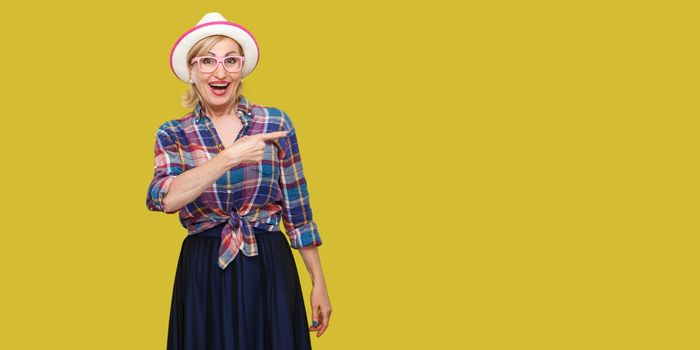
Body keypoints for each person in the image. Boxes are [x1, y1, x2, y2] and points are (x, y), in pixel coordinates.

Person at [146, 12, 332, 350]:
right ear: (192, 71)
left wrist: (318, 281)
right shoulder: (173, 133)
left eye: (231, 61)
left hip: (269, 267)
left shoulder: (274, 122)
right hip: (204, 270)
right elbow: (166, 198)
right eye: (208, 61)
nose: (220, 72)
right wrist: (230, 157)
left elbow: (298, 211)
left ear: (241, 69)